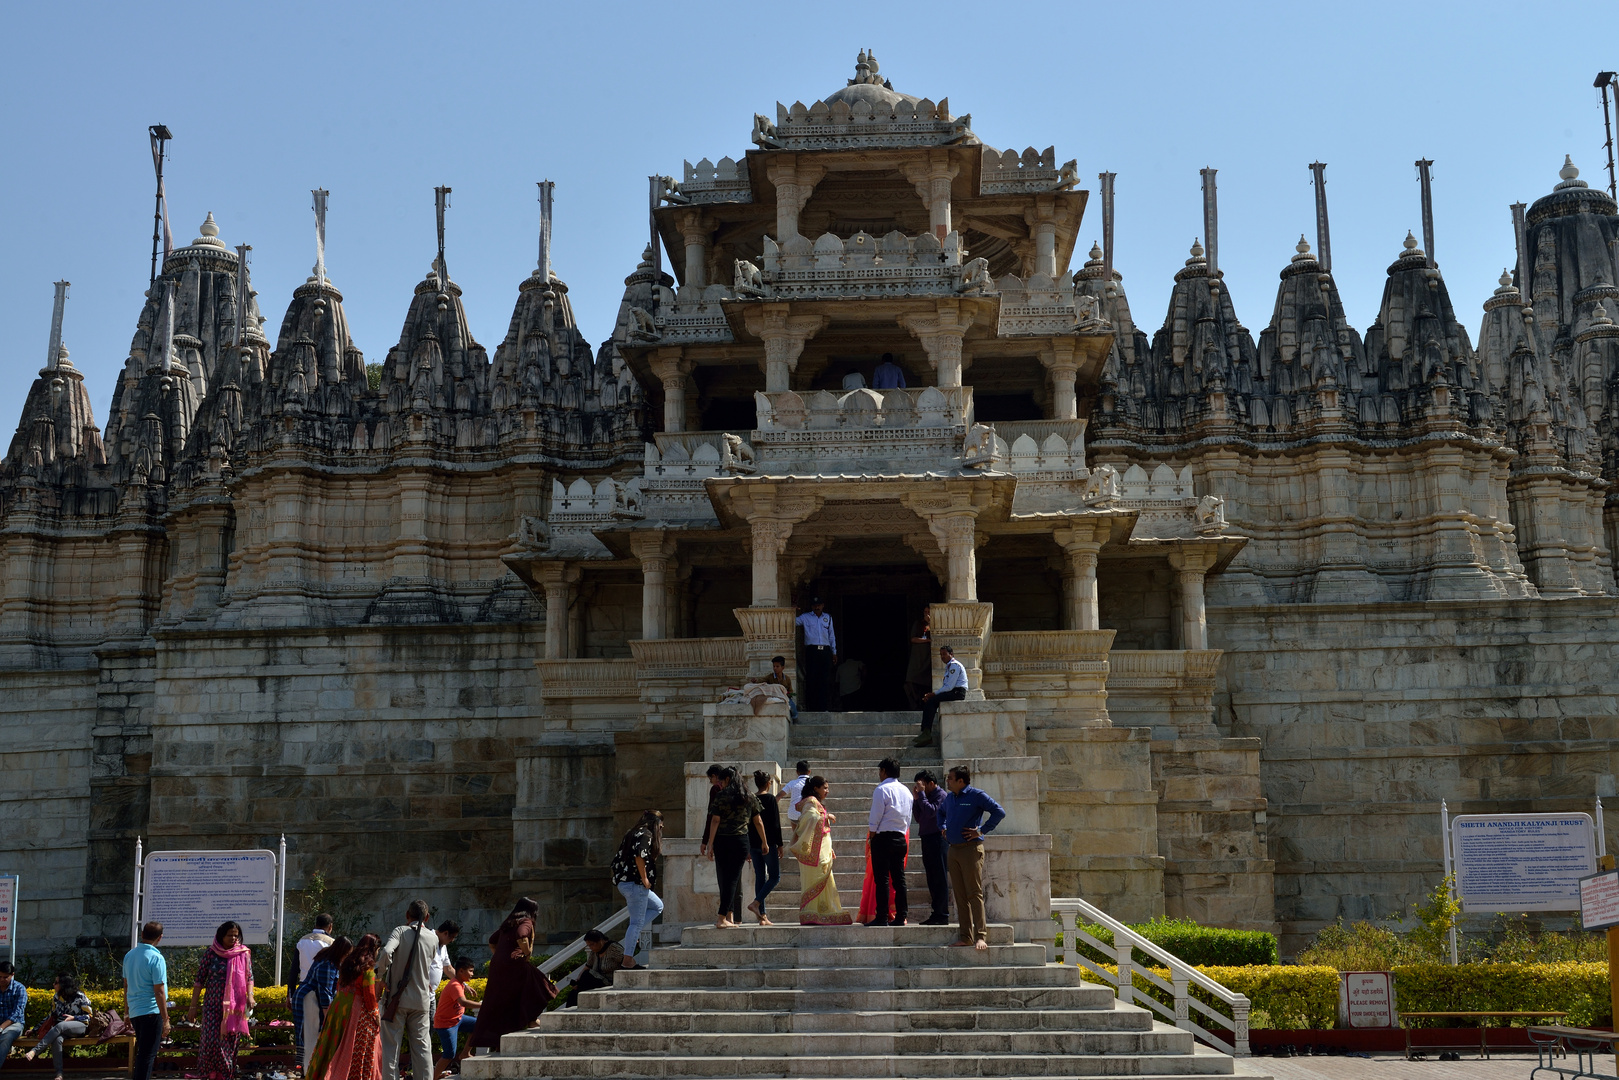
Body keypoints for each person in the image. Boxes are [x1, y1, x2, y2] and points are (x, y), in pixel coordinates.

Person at [466, 899, 554, 1055]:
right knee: (541, 985)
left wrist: (501, 956)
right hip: (514, 964)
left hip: (497, 966)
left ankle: (479, 1047)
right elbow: (522, 936)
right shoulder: (526, 921)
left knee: (502, 1002)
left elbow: (492, 942)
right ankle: (531, 1019)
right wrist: (526, 953)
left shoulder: (509, 922)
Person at [943, 765, 1006, 950]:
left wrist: (981, 830)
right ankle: (965, 937)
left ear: (961, 781)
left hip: (971, 850)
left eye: (951, 778)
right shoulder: (950, 798)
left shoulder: (976, 795)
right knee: (960, 895)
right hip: (953, 850)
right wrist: (943, 827)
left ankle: (980, 936)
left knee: (974, 893)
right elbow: (941, 814)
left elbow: (999, 812)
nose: (947, 781)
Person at [307, 933, 383, 1080]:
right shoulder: (368, 968)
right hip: (355, 1012)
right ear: (374, 949)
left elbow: (338, 986)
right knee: (355, 1049)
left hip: (337, 1008)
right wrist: (376, 1015)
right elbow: (369, 996)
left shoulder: (347, 962)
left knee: (331, 1045)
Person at [376, 900, 438, 1080]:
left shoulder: (400, 931)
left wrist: (380, 976)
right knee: (422, 1048)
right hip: (421, 1001)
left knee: (390, 1048)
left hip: (397, 998)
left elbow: (387, 952)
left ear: (407, 915)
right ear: (426, 917)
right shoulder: (433, 938)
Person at [701, 767, 766, 929]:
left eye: (721, 781)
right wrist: (764, 842)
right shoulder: (748, 796)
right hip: (740, 841)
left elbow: (714, 820)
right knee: (732, 879)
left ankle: (725, 916)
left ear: (727, 779)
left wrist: (710, 844)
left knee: (725, 879)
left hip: (722, 841)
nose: (720, 785)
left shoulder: (721, 796)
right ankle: (723, 917)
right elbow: (758, 821)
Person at [190, 920, 253, 1080]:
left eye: (236, 935)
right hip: (212, 1003)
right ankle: (208, 1073)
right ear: (221, 936)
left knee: (228, 1043)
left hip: (234, 1007)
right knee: (210, 1041)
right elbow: (199, 981)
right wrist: (193, 1006)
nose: (233, 938)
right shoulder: (211, 953)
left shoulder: (243, 953)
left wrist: (250, 996)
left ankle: (225, 1075)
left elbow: (249, 977)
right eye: (230, 935)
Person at [790, 776, 852, 926]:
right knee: (817, 877)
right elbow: (809, 819)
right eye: (824, 788)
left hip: (822, 848)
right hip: (814, 851)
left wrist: (829, 848)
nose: (827, 791)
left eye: (827, 788)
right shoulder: (811, 801)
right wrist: (826, 816)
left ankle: (823, 912)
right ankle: (813, 912)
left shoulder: (815, 802)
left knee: (825, 876)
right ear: (815, 788)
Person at [865, 757, 913, 927]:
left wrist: (872, 835)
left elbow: (875, 816)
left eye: (880, 771)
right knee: (899, 879)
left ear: (884, 771)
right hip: (900, 837)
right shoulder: (907, 791)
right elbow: (908, 818)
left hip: (883, 837)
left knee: (883, 879)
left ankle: (882, 916)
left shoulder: (881, 789)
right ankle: (901, 916)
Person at [612, 809, 664, 966]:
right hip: (636, 883)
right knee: (635, 922)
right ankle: (627, 959)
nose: (661, 829)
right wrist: (645, 879)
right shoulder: (646, 835)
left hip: (624, 882)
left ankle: (634, 935)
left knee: (657, 906)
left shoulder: (632, 832)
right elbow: (639, 856)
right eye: (660, 826)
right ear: (655, 824)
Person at [295, 936, 352, 1073]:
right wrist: (328, 1016)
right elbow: (325, 992)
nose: (346, 957)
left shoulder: (328, 958)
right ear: (340, 952)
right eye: (346, 954)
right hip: (310, 999)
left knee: (311, 1036)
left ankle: (311, 1070)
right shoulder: (328, 964)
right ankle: (310, 1071)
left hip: (311, 998)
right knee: (310, 1036)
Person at [121, 921, 169, 1080]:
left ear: (142, 935)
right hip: (151, 1011)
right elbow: (159, 991)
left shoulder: (129, 955)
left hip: (135, 1012)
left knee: (143, 1054)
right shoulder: (156, 957)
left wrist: (127, 1013)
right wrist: (166, 1019)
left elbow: (126, 987)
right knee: (147, 1055)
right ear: (160, 938)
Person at [23, 974, 91, 1079]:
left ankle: (35, 1051)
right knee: (57, 1039)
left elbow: (90, 1016)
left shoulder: (80, 996)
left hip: (80, 1026)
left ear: (63, 984)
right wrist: (34, 1029)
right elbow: (51, 1016)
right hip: (61, 1029)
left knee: (60, 1025)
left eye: (56, 982)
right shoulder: (56, 997)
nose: (53, 984)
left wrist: (74, 1018)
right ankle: (59, 1073)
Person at [912, 771, 951, 925]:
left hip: (938, 838)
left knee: (939, 877)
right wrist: (917, 799)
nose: (920, 788)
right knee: (931, 877)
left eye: (922, 785)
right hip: (927, 837)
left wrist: (921, 795)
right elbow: (919, 817)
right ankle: (936, 913)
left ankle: (942, 914)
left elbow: (930, 813)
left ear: (931, 783)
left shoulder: (941, 795)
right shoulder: (924, 797)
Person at [430, 958, 479, 1077]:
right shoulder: (455, 985)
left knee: (478, 1025)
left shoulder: (460, 984)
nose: (472, 974)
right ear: (461, 971)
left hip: (458, 1019)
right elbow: (464, 1002)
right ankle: (433, 1078)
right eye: (470, 971)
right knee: (449, 1055)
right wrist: (483, 1005)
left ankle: (465, 1054)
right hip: (446, 1024)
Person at [747, 771, 784, 925]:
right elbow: (775, 823)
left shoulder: (750, 799)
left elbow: (748, 824)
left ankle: (762, 917)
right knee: (775, 876)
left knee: (760, 878)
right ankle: (756, 904)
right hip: (767, 844)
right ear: (769, 783)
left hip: (753, 843)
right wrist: (780, 844)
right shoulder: (770, 799)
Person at [916, 645, 968, 746]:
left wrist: (933, 694)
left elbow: (949, 687)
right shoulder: (949, 667)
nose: (942, 657)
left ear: (951, 654)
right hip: (953, 692)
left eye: (944, 654)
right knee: (930, 702)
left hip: (957, 692)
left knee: (931, 701)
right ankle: (925, 732)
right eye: (941, 655)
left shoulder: (954, 665)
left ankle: (926, 733)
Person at [795, 598, 837, 711]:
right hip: (812, 650)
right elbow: (793, 622)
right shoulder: (805, 617)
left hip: (825, 650)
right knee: (812, 678)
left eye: (819, 605)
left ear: (823, 605)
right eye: (814, 605)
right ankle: (812, 707)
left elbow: (831, 636)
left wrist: (834, 652)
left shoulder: (827, 617)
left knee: (825, 679)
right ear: (812, 607)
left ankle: (825, 707)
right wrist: (792, 610)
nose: (817, 607)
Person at [568, 931, 625, 1001]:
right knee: (573, 993)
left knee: (587, 975)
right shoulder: (594, 952)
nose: (591, 947)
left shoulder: (614, 948)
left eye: (592, 944)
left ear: (600, 941)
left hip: (609, 982)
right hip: (597, 981)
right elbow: (587, 966)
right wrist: (578, 980)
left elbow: (626, 962)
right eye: (589, 945)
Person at [904, 606, 932, 710]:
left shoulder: (935, 624)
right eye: (925, 612)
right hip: (917, 658)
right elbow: (913, 639)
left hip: (928, 659)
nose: (927, 614)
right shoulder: (918, 624)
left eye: (929, 612)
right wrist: (927, 641)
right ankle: (914, 705)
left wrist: (931, 623)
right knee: (910, 681)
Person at [297, 914, 336, 982]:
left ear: (316, 925)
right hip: (322, 985)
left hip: (304, 985)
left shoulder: (302, 940)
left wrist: (291, 990)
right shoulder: (332, 943)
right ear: (330, 926)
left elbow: (294, 968)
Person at [0, 962, 22, 1069]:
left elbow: (16, 1013)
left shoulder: (19, 989)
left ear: (12, 975)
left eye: (5, 977)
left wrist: (1, 1027)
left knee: (6, 1036)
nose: (1, 980)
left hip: (15, 1024)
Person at [428, 920, 460, 992]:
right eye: (452, 937)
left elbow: (448, 968)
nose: (452, 940)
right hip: (420, 993)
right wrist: (423, 981)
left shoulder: (443, 945)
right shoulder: (427, 939)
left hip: (431, 994)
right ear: (446, 933)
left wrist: (462, 983)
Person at [764, 655, 797, 722]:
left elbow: (790, 690)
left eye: (777, 666)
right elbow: (761, 681)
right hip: (774, 697)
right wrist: (755, 681)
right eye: (774, 666)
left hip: (785, 697)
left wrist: (788, 694)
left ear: (783, 667)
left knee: (792, 706)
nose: (775, 668)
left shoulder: (787, 679)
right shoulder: (769, 677)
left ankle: (795, 718)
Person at [780, 761, 811, 826]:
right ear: (809, 771)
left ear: (797, 772)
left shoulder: (792, 783)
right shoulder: (813, 783)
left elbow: (779, 795)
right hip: (808, 813)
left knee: (796, 834)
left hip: (794, 814)